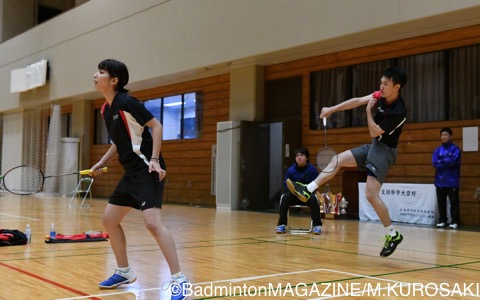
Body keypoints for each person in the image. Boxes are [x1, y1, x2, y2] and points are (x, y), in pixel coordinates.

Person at [91, 59, 188, 300]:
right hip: (131, 173)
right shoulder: (106, 109)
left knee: (153, 223)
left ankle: (180, 280)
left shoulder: (127, 102)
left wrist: (154, 158)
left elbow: (156, 126)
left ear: (114, 80)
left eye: (101, 72)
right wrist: (103, 162)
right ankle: (124, 272)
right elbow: (119, 141)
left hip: (147, 169)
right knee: (109, 220)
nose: (95, 75)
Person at [287, 67, 407, 258]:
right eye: (381, 83)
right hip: (374, 146)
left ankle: (392, 234)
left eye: (385, 84)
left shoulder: (399, 112)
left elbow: (374, 131)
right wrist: (332, 110)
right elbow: (358, 100)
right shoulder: (381, 96)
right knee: (337, 159)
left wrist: (369, 111)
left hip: (384, 152)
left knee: (370, 194)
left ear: (397, 87)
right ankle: (307, 189)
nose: (381, 87)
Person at [276, 147, 323, 235]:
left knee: (314, 198)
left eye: (301, 155)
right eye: (297, 156)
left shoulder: (312, 170)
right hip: (294, 196)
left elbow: (316, 185)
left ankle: (317, 225)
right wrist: (295, 191)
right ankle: (282, 224)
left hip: (307, 196)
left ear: (307, 158)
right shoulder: (290, 170)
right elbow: (286, 184)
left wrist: (305, 192)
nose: (299, 157)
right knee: (284, 197)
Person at [432, 127, 461, 229]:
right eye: (442, 135)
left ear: (450, 136)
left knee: (454, 203)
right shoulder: (437, 150)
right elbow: (435, 163)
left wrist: (442, 161)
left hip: (452, 181)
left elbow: (453, 161)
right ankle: (442, 220)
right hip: (440, 181)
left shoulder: (456, 149)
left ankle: (454, 221)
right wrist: (446, 162)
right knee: (441, 202)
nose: (443, 137)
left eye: (445, 135)